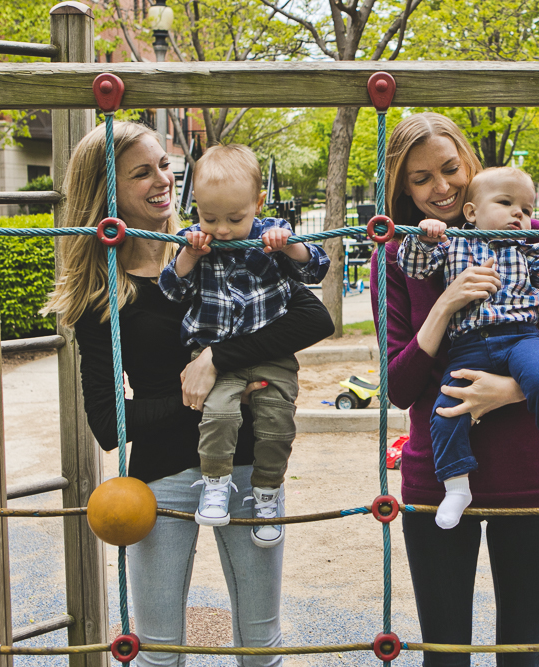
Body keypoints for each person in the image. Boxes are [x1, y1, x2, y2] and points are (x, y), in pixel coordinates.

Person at [44, 121, 333, 666]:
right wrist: (194, 393)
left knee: (260, 643)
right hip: (161, 478)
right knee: (156, 650)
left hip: (247, 465)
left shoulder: (219, 247)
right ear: (107, 191)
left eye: (162, 163)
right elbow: (108, 424)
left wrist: (218, 359)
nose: (162, 177)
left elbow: (315, 316)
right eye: (141, 172)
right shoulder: (104, 294)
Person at [373, 112, 539, 667]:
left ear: (469, 165)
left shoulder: (531, 241)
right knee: (445, 655)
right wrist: (447, 302)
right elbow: (399, 388)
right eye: (421, 178)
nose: (442, 187)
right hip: (438, 476)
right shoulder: (396, 257)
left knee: (521, 655)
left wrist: (512, 389)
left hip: (529, 476)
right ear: (404, 188)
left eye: (450, 169)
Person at [397, 167, 539, 529]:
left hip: (522, 337)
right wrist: (425, 239)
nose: (520, 214)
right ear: (472, 213)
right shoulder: (453, 243)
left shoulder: (531, 249)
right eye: (506, 203)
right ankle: (456, 487)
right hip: (469, 345)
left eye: (528, 210)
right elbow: (415, 268)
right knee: (445, 413)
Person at [159, 144, 329, 545]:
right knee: (217, 416)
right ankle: (215, 483)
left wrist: (288, 245)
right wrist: (188, 257)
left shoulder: (271, 235)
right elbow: (169, 291)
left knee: (277, 424)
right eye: (208, 216)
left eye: (235, 218)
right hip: (214, 354)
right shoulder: (195, 242)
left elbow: (316, 266)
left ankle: (267, 494)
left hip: (271, 358)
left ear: (257, 202)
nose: (220, 229)